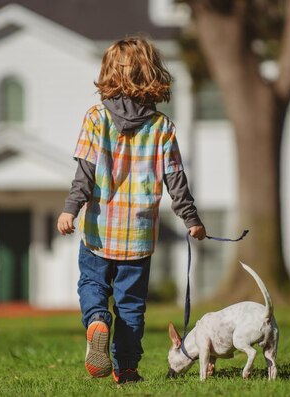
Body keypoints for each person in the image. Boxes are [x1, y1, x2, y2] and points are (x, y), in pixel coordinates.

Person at [57, 36, 206, 384]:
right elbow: (176, 181)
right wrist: (191, 220)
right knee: (131, 306)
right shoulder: (162, 127)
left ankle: (96, 321)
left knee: (93, 283)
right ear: (152, 73)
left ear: (109, 73)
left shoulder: (95, 118)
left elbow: (85, 173)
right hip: (138, 237)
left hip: (99, 230)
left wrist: (70, 209)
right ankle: (126, 369)